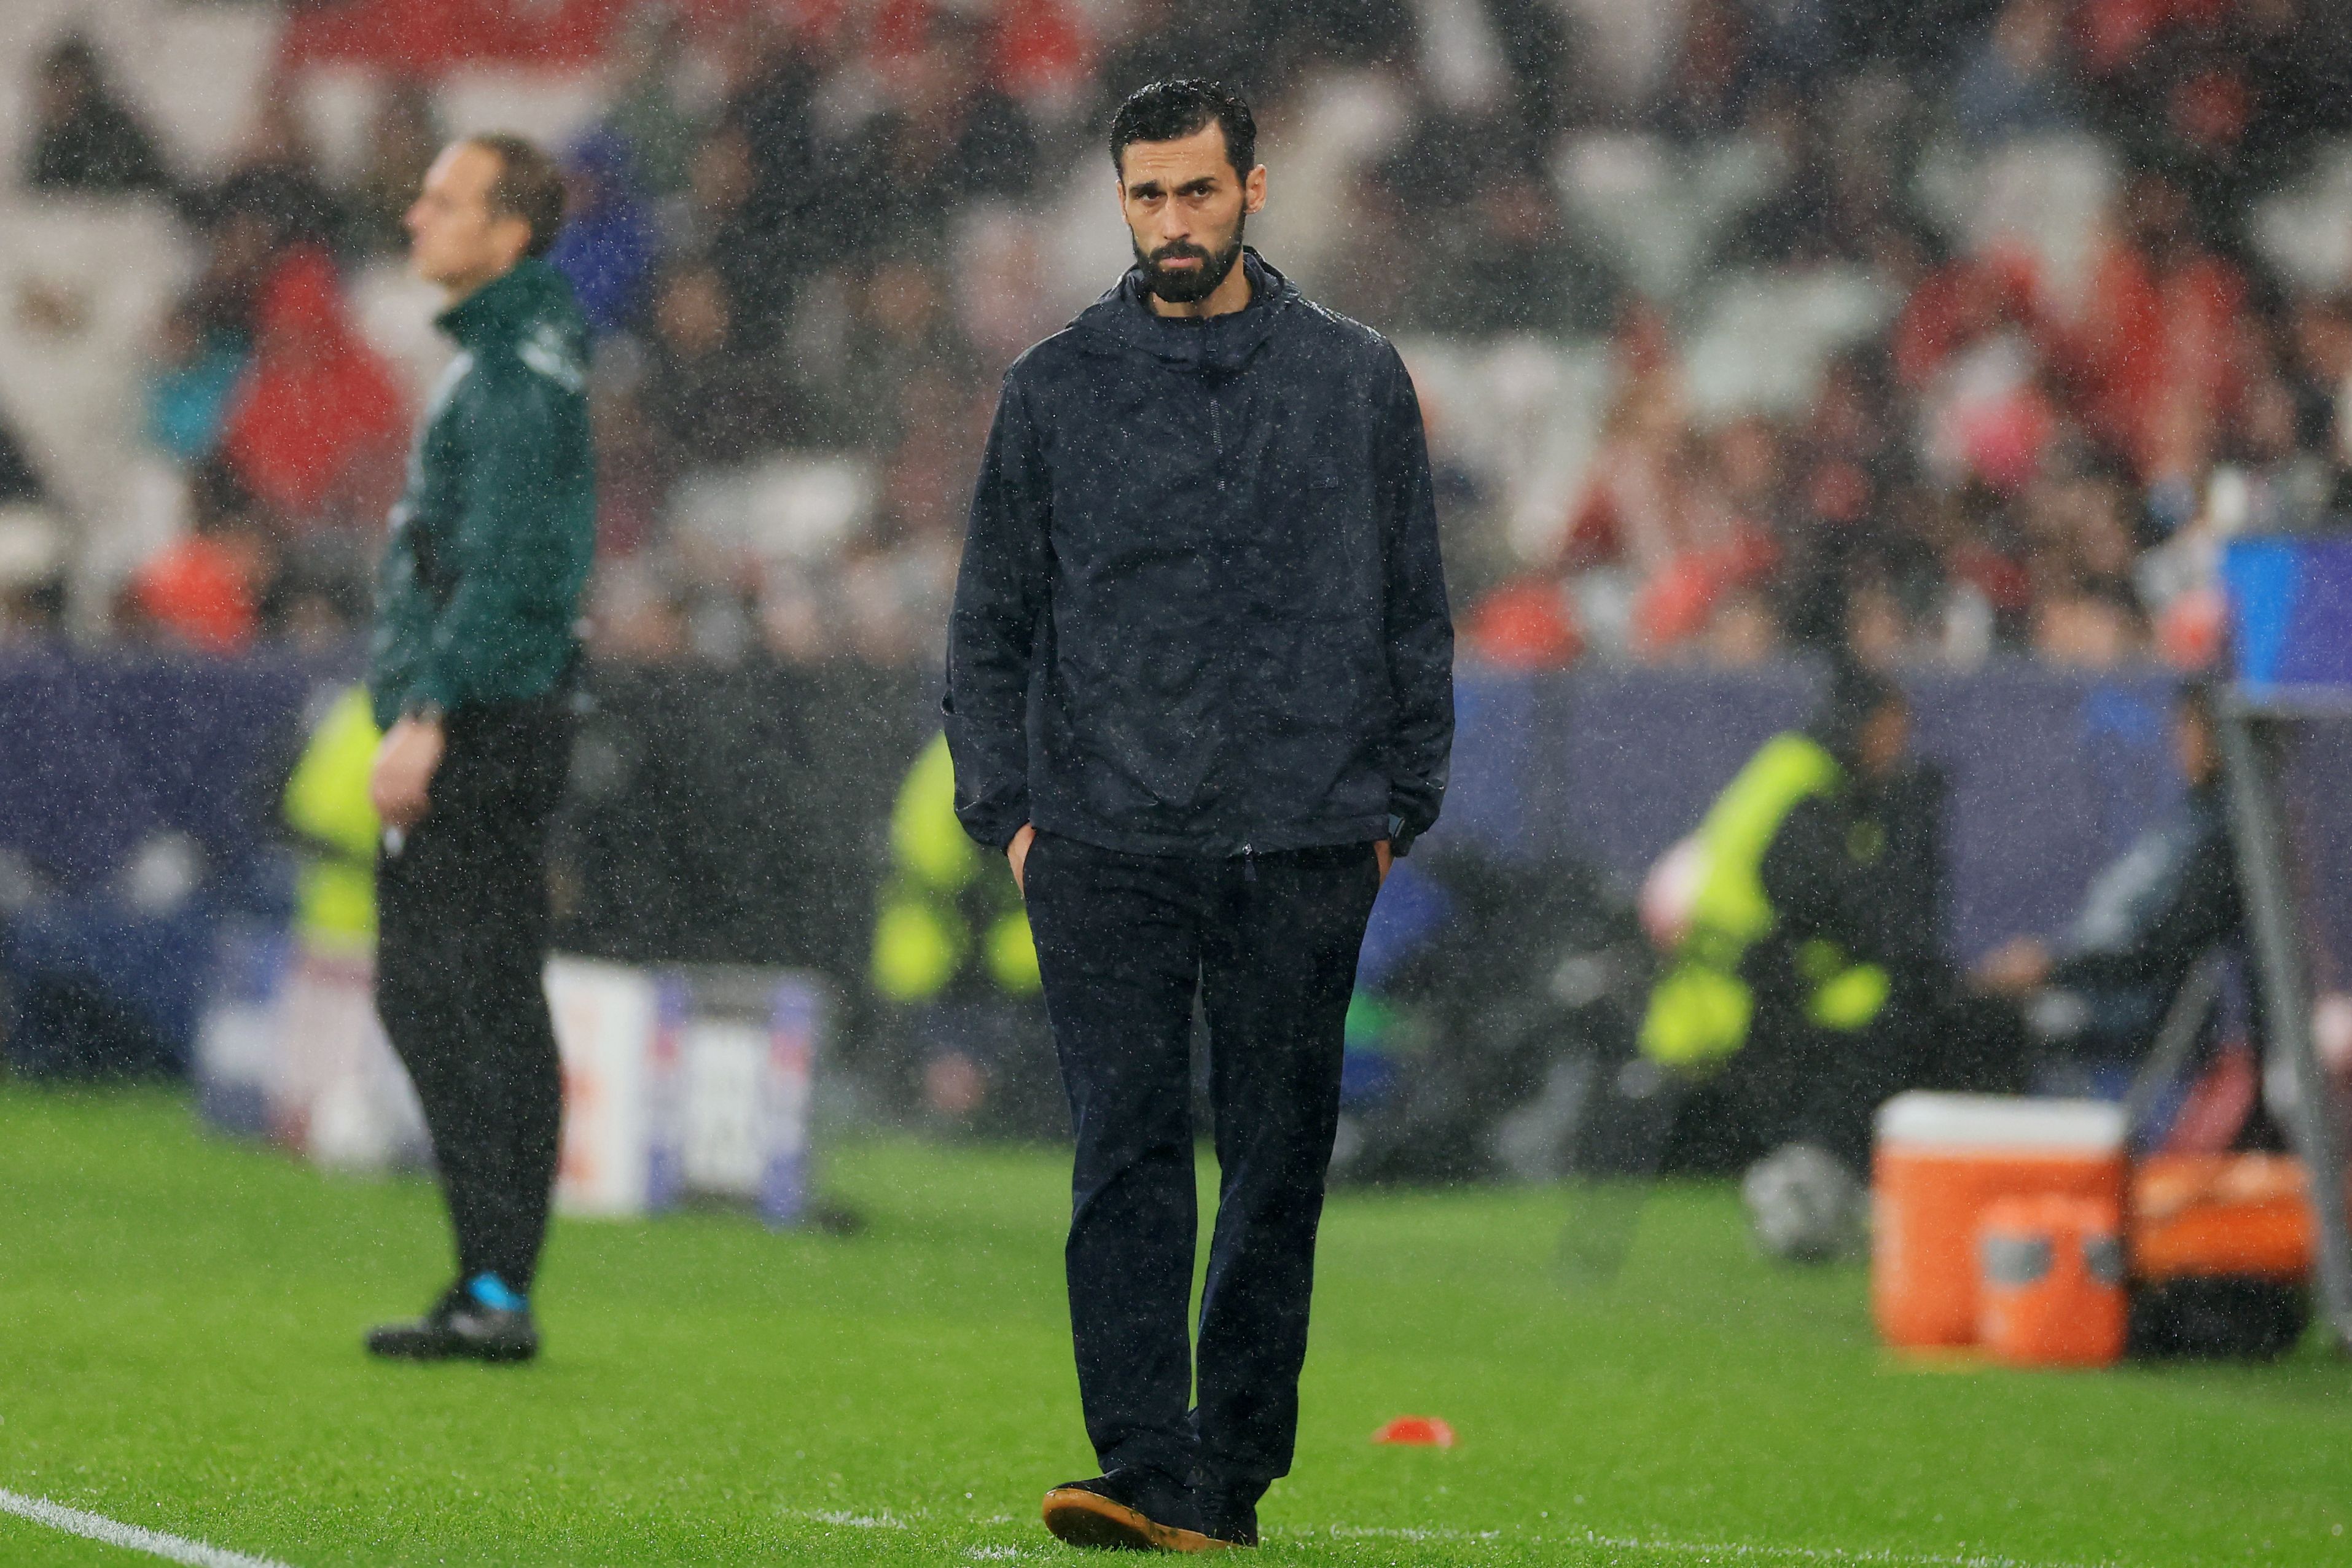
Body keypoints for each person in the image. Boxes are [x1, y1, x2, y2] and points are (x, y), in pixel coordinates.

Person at [944, 79, 1454, 1551]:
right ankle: (1141, 1460)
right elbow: (992, 624)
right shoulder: (1054, 386)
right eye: (1147, 195)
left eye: (1198, 192)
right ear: (1121, 201)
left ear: (1255, 189)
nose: (1172, 220)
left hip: (1305, 837)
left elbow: (1417, 612)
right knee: (1125, 1151)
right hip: (1103, 840)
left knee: (1278, 1162)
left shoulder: (1355, 380)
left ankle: (1227, 1473)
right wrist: (1015, 816)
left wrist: (1394, 810)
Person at [361, 135, 595, 1364]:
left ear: (507, 234)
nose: (415, 215)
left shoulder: (512, 371)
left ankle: (498, 1286)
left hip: (487, 716)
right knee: (469, 993)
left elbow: (501, 569)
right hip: (500, 708)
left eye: (443, 200)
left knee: (459, 994)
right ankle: (490, 1282)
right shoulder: (517, 354)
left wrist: (427, 712)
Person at [1637, 663, 2010, 1182]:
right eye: (1894, 731)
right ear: (1866, 725)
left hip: (1739, 992)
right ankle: (1857, 1165)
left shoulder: (1789, 772)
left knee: (1912, 992)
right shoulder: (1808, 795)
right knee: (1909, 1002)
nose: (1899, 748)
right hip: (1739, 1006)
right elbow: (1851, 913)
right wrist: (1909, 830)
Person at [1977, 682, 2247, 1064]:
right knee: (1966, 1004)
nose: (2181, 739)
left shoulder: (2226, 835)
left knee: (1976, 1027)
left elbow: (2158, 955)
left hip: (2133, 1016)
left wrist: (2051, 968)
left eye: (2194, 725)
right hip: (2100, 993)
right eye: (2180, 725)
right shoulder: (2189, 819)